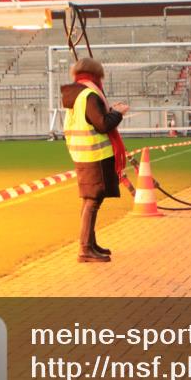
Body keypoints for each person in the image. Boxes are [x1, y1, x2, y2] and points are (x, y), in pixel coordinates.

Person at [60, 58, 129, 263]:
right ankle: (85, 249)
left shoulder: (76, 95)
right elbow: (102, 124)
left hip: (83, 154)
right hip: (94, 156)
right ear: (96, 75)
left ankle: (90, 243)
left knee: (90, 199)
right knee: (93, 200)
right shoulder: (89, 95)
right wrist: (118, 113)